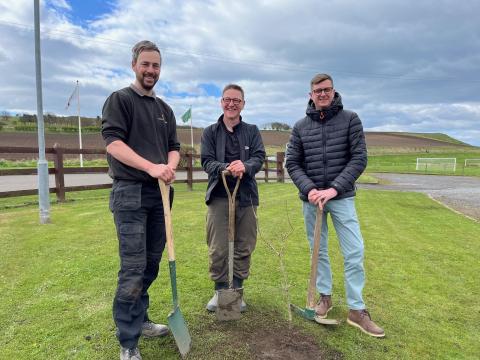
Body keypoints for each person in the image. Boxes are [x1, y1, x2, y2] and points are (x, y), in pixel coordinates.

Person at [286, 73, 385, 338]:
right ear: (310, 95)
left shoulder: (350, 119)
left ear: (333, 91)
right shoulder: (300, 126)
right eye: (317, 90)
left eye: (326, 90)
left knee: (354, 251)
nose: (322, 94)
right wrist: (310, 190)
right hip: (312, 200)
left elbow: (359, 159)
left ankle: (356, 309)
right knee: (318, 252)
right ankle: (325, 298)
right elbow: (292, 163)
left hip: (341, 197)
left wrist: (333, 189)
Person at [101, 40, 181, 360]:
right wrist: (151, 167)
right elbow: (114, 145)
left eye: (156, 65)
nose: (151, 71)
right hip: (130, 193)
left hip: (160, 194)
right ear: (134, 64)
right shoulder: (120, 100)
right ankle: (128, 340)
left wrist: (169, 168)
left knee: (151, 264)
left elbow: (173, 147)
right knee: (133, 267)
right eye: (145, 64)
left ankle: (141, 318)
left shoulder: (165, 110)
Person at [201, 84, 266, 312]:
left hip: (246, 196)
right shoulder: (210, 132)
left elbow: (259, 157)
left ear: (243, 104)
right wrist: (227, 167)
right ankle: (220, 293)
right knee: (218, 247)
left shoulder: (252, 130)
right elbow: (206, 160)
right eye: (227, 99)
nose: (231, 104)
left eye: (236, 100)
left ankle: (236, 293)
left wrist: (245, 166)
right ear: (221, 102)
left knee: (243, 246)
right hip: (219, 195)